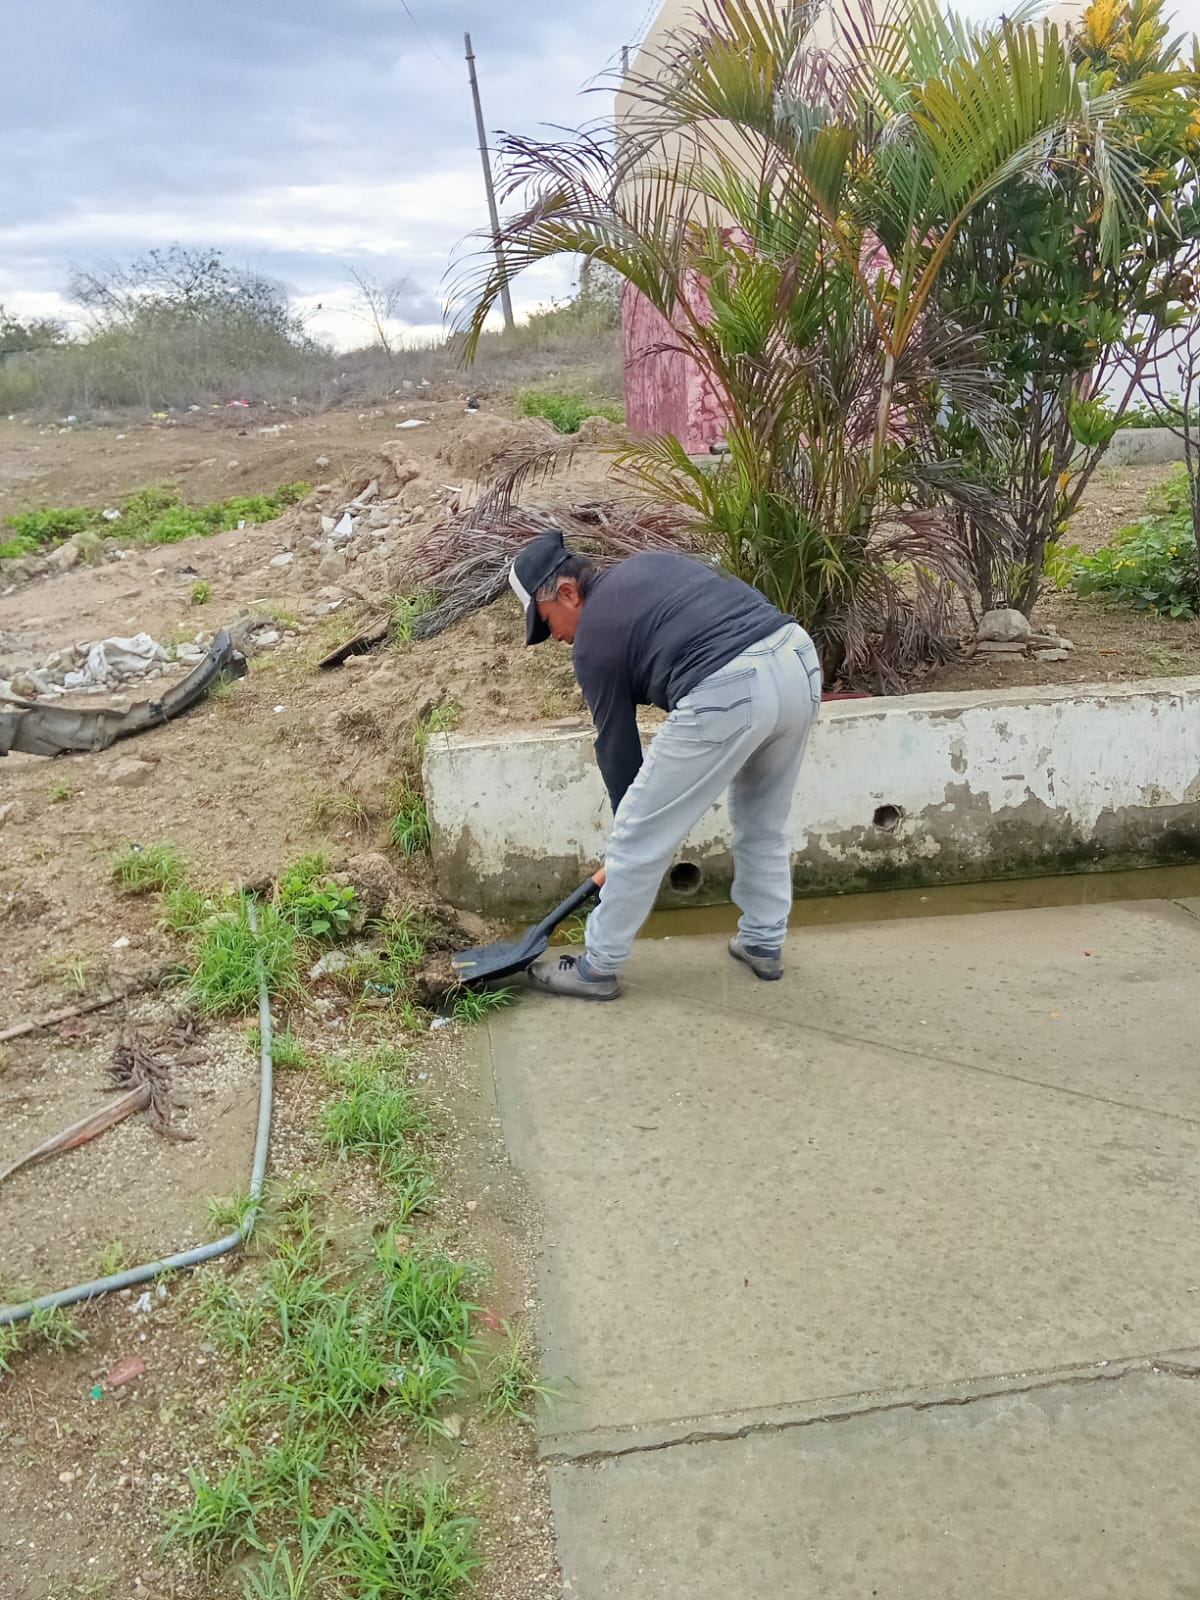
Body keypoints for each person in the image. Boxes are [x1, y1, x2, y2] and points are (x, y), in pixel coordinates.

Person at [507, 530, 822, 1001]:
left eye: (546, 620)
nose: (553, 635)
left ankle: (597, 966)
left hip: (728, 683)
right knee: (763, 820)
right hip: (797, 659)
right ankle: (762, 940)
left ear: (568, 593)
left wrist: (630, 837)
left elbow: (617, 748)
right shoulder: (648, 566)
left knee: (638, 829)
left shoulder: (592, 639)